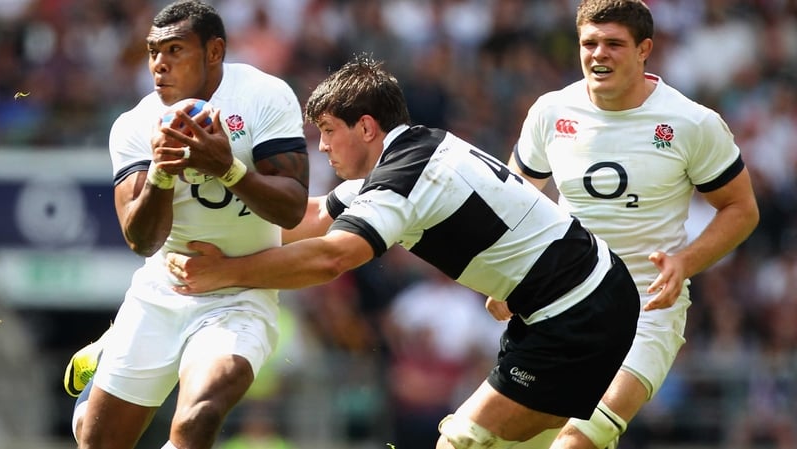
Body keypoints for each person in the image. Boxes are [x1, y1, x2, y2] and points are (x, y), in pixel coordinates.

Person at [165, 55, 641, 449]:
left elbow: (331, 256)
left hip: (576, 308)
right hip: (575, 301)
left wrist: (226, 272)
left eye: (329, 130)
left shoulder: (402, 179)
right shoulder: (411, 152)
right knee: (543, 441)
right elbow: (308, 221)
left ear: (367, 127)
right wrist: (211, 225)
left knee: (464, 440)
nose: (323, 146)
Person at [499, 1, 760, 448]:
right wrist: (506, 279)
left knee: (575, 441)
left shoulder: (691, 122)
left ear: (645, 50)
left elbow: (741, 208)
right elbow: (513, 200)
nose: (599, 54)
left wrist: (684, 262)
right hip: (561, 305)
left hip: (646, 311)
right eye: (590, 43)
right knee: (489, 439)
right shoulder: (550, 112)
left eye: (614, 44)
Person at [63, 1, 309, 448]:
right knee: (95, 441)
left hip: (240, 294)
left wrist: (228, 169)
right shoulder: (136, 125)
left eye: (175, 50)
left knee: (199, 416)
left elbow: (291, 208)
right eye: (154, 51)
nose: (159, 64)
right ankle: (104, 365)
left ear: (214, 51)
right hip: (164, 290)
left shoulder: (263, 96)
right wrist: (161, 171)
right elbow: (141, 240)